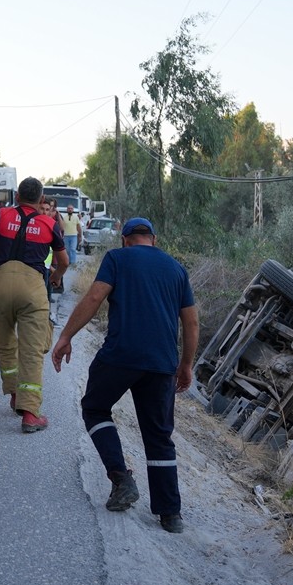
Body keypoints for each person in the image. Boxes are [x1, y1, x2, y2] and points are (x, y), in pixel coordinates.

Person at [51, 217, 199, 533]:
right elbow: (191, 324)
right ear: (154, 239)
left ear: (125, 240)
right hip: (161, 364)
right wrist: (185, 365)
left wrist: (65, 337)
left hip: (121, 355)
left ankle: (120, 478)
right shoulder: (176, 270)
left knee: (94, 407)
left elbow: (93, 298)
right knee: (159, 436)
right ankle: (170, 515)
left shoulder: (118, 258)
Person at [0, 177, 68, 433]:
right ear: (41, 200)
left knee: (5, 341)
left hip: (0, 284)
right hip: (32, 287)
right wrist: (55, 277)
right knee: (31, 350)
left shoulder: (1, 215)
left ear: (17, 196)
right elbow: (63, 261)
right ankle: (30, 413)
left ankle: (13, 394)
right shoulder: (49, 223)